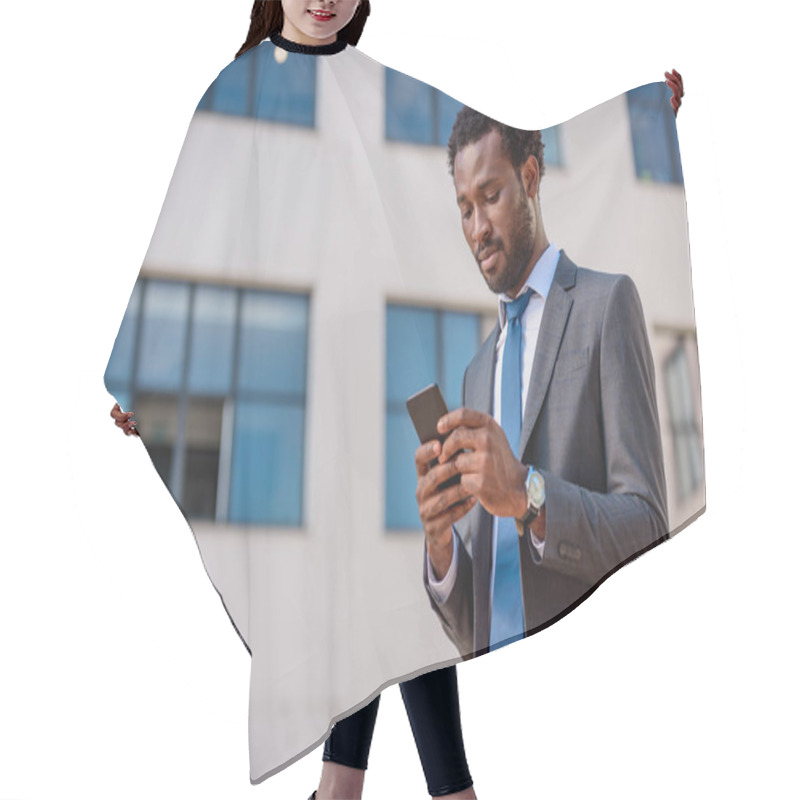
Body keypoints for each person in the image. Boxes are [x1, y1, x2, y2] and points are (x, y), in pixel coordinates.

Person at [108, 0, 686, 793]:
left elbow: (499, 147)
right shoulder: (235, 91)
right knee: (371, 598)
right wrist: (154, 370)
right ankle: (410, 789)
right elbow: (195, 238)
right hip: (310, 390)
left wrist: (638, 122)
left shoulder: (380, 87)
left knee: (399, 592)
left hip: (388, 382)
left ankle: (361, 788)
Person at [417, 100, 674, 657]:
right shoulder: (476, 373)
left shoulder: (606, 306)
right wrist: (441, 549)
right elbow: (476, 619)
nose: (478, 229)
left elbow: (650, 526)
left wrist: (527, 493)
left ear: (530, 177)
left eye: (491, 197)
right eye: (465, 209)